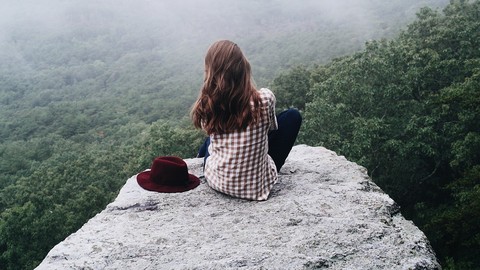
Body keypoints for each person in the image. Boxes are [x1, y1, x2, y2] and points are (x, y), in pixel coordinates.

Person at [191, 40, 302, 201]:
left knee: (210, 139)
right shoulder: (265, 99)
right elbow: (271, 130)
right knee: (292, 116)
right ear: (243, 68)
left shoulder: (208, 105)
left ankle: (198, 158)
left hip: (218, 181)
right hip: (257, 187)